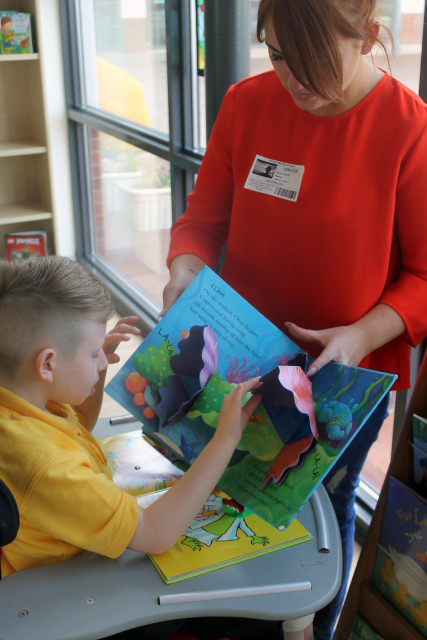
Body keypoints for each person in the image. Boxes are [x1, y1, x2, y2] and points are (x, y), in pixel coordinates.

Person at [162, 1, 427, 638]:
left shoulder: (408, 129)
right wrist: (183, 268)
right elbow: (201, 222)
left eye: (311, 62)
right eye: (278, 57)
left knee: (318, 526)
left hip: (341, 379)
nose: (294, 81)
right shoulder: (247, 104)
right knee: (222, 501)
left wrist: (361, 334)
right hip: (238, 361)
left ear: (369, 37)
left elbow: (423, 274)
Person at [0, 256, 284, 640]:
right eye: (93, 353)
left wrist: (92, 375)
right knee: (251, 609)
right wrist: (226, 439)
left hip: (55, 570)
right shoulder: (48, 465)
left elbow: (73, 427)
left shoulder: (20, 398)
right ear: (47, 364)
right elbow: (153, 534)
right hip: (60, 600)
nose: (104, 359)